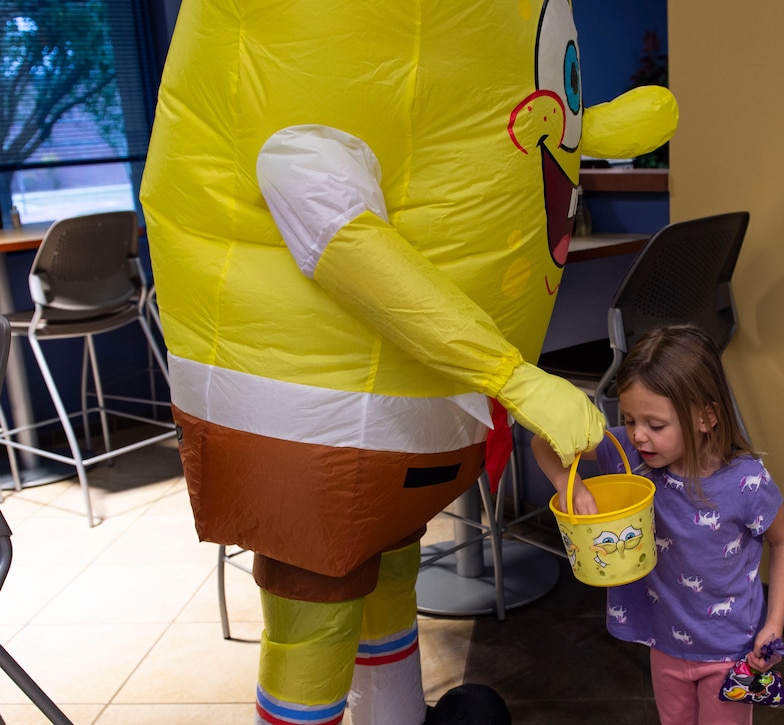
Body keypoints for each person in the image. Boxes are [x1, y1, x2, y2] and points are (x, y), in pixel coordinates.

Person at [140, 3, 678, 724]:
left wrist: (583, 127)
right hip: (308, 414)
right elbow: (349, 249)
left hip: (413, 411)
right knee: (316, 604)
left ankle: (396, 715)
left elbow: (505, 110)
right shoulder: (302, 130)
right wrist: (514, 377)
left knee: (392, 563)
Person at [531, 324, 784, 725]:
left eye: (656, 425)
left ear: (706, 417)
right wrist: (569, 487)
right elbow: (542, 440)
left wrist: (774, 623)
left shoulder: (746, 482)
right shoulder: (628, 454)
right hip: (664, 643)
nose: (639, 434)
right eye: (630, 419)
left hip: (731, 651)